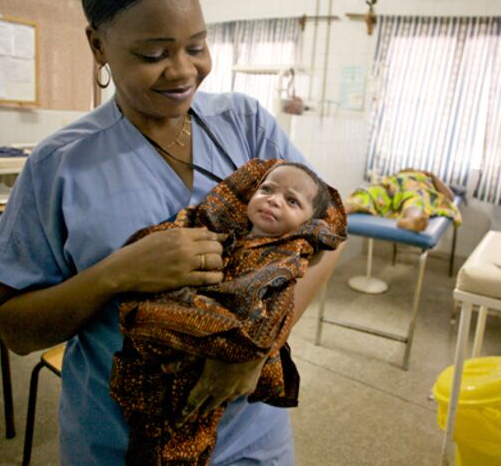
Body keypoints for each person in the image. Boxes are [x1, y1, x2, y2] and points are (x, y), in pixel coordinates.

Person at [0, 0, 342, 466]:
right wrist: (117, 273)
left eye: (196, 46)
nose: (183, 71)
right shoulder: (62, 164)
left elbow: (329, 232)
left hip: (250, 435)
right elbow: (16, 328)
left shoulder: (243, 122)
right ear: (98, 45)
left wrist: (256, 348)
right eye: (153, 54)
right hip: (120, 438)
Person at [111, 158, 346, 463]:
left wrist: (207, 322)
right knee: (147, 423)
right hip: (159, 359)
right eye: (267, 189)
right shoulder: (220, 229)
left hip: (216, 354)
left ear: (307, 223)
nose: (273, 199)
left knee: (189, 426)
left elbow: (263, 327)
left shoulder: (287, 258)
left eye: (291, 201)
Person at [344, 168, 461, 231]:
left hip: (415, 188)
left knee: (415, 199)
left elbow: (450, 197)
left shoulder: (427, 179)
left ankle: (412, 220)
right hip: (393, 186)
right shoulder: (401, 173)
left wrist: (433, 176)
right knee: (370, 191)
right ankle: (339, 212)